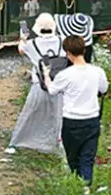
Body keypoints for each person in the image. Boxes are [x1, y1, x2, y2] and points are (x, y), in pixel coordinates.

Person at [42, 35, 109, 189]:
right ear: (84, 50)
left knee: (73, 158)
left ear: (68, 53)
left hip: (71, 121)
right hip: (92, 120)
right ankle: (86, 187)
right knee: (88, 157)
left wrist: (46, 74)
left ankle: (78, 181)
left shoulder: (65, 75)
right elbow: (104, 89)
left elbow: (51, 90)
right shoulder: (97, 71)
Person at [5, 13, 66, 155]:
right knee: (59, 114)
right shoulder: (62, 41)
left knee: (29, 113)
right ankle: (58, 142)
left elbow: (21, 50)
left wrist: (22, 38)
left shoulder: (32, 44)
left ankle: (16, 142)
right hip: (59, 86)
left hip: (39, 85)